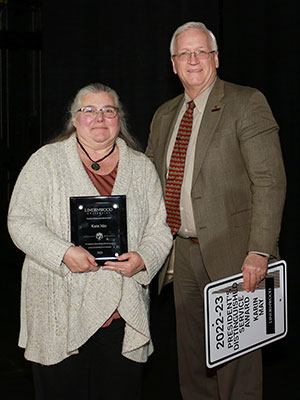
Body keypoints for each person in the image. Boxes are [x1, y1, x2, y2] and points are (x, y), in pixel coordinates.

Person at [145, 21, 286, 400]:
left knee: (237, 360)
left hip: (236, 254)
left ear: (216, 58)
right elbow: (147, 181)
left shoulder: (246, 102)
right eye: (184, 54)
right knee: (192, 361)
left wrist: (259, 251)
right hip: (182, 255)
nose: (193, 60)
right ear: (173, 64)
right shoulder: (164, 114)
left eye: (201, 52)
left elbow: (270, 182)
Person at [7, 83, 173, 400]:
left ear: (119, 119)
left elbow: (160, 227)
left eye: (108, 110)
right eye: (89, 110)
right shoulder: (46, 162)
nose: (99, 118)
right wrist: (63, 252)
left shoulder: (141, 168)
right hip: (60, 314)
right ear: (74, 118)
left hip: (120, 318)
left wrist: (143, 258)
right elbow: (20, 221)